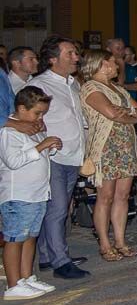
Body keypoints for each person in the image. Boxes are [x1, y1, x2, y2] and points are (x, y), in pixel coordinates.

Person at [28, 37, 89, 280]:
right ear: (53, 59)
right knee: (57, 210)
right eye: (70, 53)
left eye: (76, 53)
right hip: (53, 156)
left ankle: (46, 255)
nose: (76, 57)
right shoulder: (40, 85)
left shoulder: (73, 83)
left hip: (73, 155)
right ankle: (60, 261)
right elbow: (30, 119)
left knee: (56, 209)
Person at [79, 49, 137, 261]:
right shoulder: (90, 87)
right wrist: (128, 113)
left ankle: (120, 240)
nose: (117, 66)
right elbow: (111, 113)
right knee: (105, 197)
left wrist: (128, 113)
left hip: (126, 146)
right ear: (103, 64)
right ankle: (105, 244)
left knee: (123, 196)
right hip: (106, 147)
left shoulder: (117, 88)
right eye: (114, 63)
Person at [2, 86, 61, 299]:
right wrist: (40, 147)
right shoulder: (9, 131)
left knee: (30, 237)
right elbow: (13, 161)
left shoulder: (33, 128)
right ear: (21, 108)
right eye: (37, 113)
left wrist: (50, 146)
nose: (40, 117)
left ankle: (26, 277)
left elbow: (41, 153)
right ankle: (13, 283)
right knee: (15, 238)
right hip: (19, 194)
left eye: (43, 113)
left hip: (37, 193)